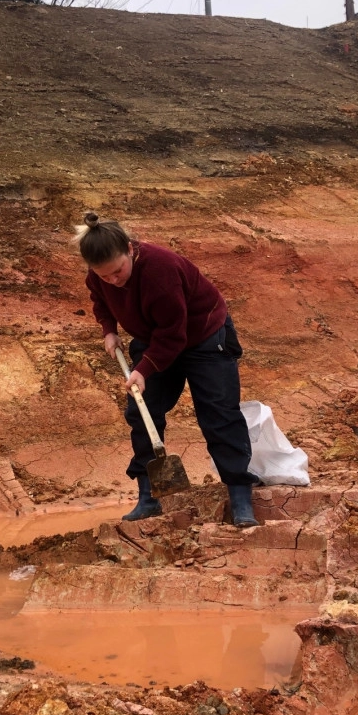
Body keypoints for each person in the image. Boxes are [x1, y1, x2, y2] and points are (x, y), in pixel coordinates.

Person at [75, 211, 259, 527]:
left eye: (118, 271)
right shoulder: (99, 276)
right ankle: (149, 496)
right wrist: (109, 329)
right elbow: (101, 300)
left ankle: (240, 494)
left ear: (130, 249)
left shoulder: (161, 270)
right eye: (105, 276)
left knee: (218, 412)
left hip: (203, 336)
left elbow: (174, 334)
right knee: (142, 411)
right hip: (154, 337)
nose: (113, 280)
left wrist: (144, 370)